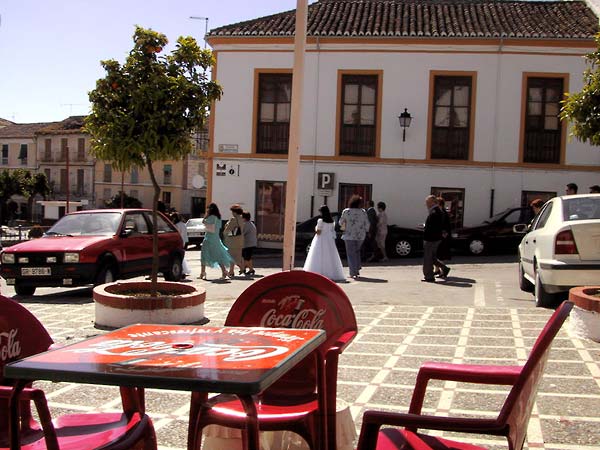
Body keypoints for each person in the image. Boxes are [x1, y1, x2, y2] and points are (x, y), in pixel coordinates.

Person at [303, 205, 345, 281]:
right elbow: (332, 231)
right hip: (329, 240)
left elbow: (318, 232)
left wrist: (316, 229)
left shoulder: (320, 221)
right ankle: (330, 273)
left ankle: (318, 272)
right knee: (330, 256)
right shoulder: (332, 222)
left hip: (321, 239)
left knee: (318, 255)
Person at [199, 203, 234, 280]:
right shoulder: (218, 218)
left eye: (208, 208)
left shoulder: (210, 217)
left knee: (204, 255)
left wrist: (205, 217)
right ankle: (224, 271)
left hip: (208, 238)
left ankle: (203, 273)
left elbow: (204, 222)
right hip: (216, 239)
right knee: (218, 255)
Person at [339, 195, 370, 279]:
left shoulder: (346, 211)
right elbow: (367, 224)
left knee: (351, 254)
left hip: (349, 235)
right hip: (360, 236)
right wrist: (366, 231)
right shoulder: (363, 212)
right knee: (357, 252)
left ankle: (353, 272)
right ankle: (356, 269)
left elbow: (341, 222)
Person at [422, 195, 449, 283]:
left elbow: (433, 226)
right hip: (435, 237)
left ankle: (429, 277)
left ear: (432, 202)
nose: (426, 204)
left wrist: (426, 229)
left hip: (431, 238)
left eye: (428, 202)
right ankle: (444, 268)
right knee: (432, 257)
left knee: (428, 258)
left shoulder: (435, 211)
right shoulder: (437, 211)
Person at [223, 204, 244, 277]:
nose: (232, 213)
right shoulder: (242, 219)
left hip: (232, 241)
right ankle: (232, 271)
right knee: (235, 256)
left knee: (231, 256)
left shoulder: (233, 219)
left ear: (235, 212)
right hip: (239, 240)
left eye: (232, 211)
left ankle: (240, 268)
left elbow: (227, 230)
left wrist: (225, 228)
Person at [434, 197, 452, 277]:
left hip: (442, 237)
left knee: (440, 254)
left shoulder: (443, 213)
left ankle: (442, 271)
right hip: (441, 236)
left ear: (439, 204)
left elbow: (444, 226)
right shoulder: (441, 212)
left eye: (436, 203)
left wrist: (443, 235)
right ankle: (437, 270)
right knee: (437, 254)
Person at [171, 212, 190, 278]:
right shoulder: (183, 224)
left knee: (177, 257)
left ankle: (181, 270)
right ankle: (183, 270)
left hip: (178, 242)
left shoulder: (176, 225)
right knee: (181, 256)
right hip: (183, 241)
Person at [241, 211, 257, 276]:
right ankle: (248, 269)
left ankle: (249, 269)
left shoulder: (246, 224)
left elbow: (242, 233)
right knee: (247, 257)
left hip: (247, 244)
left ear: (244, 218)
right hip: (251, 243)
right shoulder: (251, 224)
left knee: (246, 257)